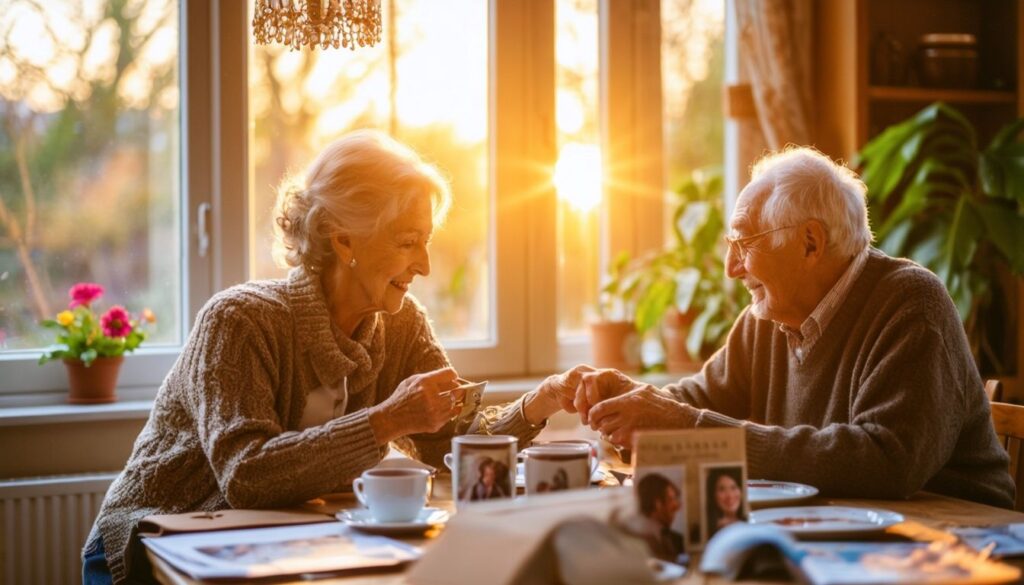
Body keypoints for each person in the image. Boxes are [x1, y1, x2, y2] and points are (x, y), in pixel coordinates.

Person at [83, 130, 579, 585]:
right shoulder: (239, 320)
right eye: (409, 242)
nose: (424, 266)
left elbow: (448, 446)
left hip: (275, 544)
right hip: (152, 548)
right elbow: (246, 477)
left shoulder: (401, 322)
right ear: (344, 240)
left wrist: (539, 403)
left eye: (426, 242)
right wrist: (385, 421)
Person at [568, 147, 1014, 509]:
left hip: (955, 542)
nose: (730, 268)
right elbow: (696, 403)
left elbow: (887, 461)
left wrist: (689, 423)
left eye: (744, 243)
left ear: (810, 242)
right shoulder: (766, 319)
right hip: (842, 533)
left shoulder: (913, 304)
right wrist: (632, 400)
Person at [633, 473, 684, 563]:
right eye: (671, 499)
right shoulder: (637, 541)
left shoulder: (673, 538)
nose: (677, 506)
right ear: (658, 504)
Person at [705, 468, 746, 539]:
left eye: (733, 487)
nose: (730, 496)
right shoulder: (705, 529)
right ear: (713, 495)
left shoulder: (750, 523)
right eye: (722, 489)